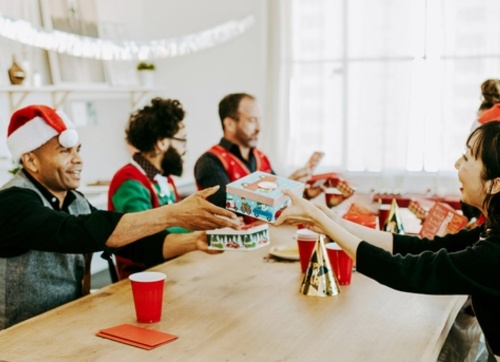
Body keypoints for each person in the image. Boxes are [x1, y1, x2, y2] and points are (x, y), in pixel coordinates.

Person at [0, 104, 238, 330]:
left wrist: (194, 241)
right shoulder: (12, 202)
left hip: (68, 324)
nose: (78, 159)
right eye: (65, 151)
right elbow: (75, 232)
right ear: (31, 160)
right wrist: (173, 214)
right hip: (17, 339)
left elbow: (130, 244)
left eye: (78, 150)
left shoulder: (75, 200)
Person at [275, 121, 500, 359]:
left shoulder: (494, 252)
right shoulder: (492, 230)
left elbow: (406, 271)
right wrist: (332, 220)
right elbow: (421, 248)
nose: (456, 164)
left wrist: (322, 221)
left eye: (467, 158)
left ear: (495, 183)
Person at [109, 98, 218, 279]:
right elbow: (143, 236)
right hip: (141, 279)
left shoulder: (163, 177)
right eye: (182, 140)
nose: (185, 149)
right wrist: (196, 225)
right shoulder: (129, 181)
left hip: (172, 268)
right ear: (161, 143)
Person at [194, 93, 321, 214]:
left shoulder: (261, 157)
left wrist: (304, 193)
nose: (259, 128)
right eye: (252, 120)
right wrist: (282, 187)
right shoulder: (210, 161)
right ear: (230, 124)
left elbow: (278, 207)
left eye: (259, 120)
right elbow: (227, 209)